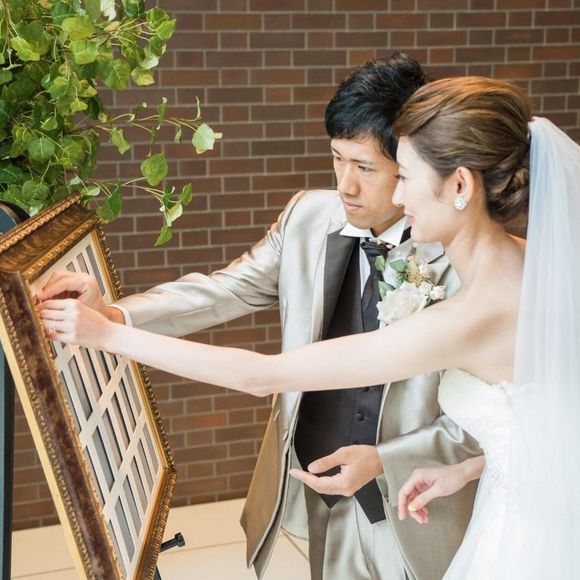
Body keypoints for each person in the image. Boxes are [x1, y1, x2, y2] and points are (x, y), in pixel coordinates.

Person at [39, 76, 580, 579]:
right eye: (337, 159)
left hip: (489, 533)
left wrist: (108, 336)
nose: (394, 195)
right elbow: (552, 414)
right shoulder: (540, 268)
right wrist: (474, 467)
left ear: (459, 183)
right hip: (510, 501)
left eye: (402, 176)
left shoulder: (468, 310)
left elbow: (261, 376)